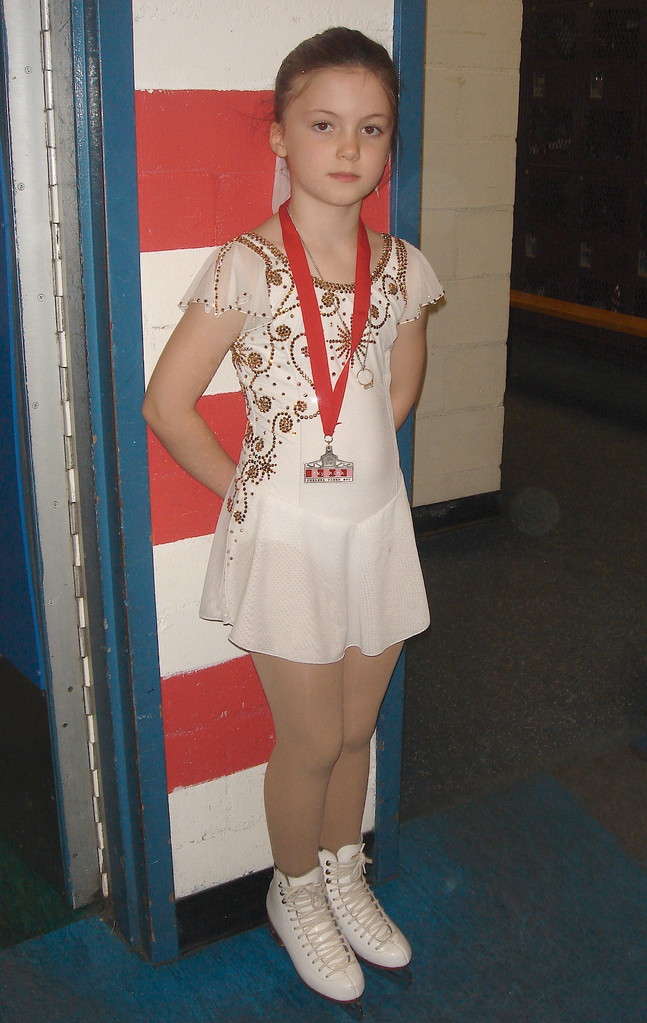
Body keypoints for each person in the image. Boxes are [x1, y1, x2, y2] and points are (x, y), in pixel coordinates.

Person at [143, 26, 443, 1009]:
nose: (348, 149)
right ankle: (295, 891)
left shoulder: (397, 264)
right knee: (309, 740)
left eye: (370, 129)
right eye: (323, 124)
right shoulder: (245, 266)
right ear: (279, 135)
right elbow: (166, 404)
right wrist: (256, 486)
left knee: (358, 729)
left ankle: (342, 867)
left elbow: (397, 383)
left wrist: (346, 464)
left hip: (372, 526)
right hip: (287, 540)